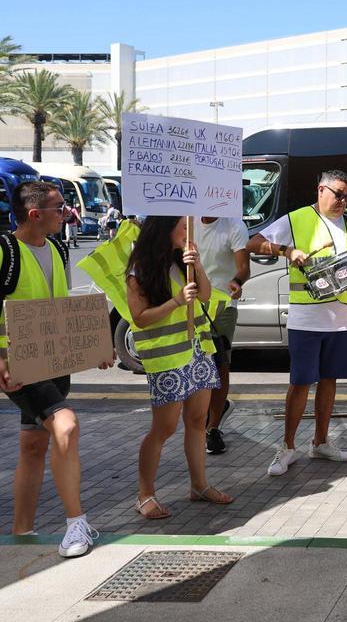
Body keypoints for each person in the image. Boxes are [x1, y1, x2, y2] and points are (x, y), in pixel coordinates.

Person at [0, 181, 114, 557]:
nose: (66, 212)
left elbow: (62, 310)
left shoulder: (58, 246)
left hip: (54, 365)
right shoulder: (5, 251)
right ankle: (76, 525)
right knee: (67, 425)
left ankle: (21, 533)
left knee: (34, 445)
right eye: (59, 207)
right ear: (35, 214)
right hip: (20, 367)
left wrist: (92, 346)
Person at [247, 169, 347, 476]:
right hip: (307, 317)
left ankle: (320, 442)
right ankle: (288, 447)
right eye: (338, 194)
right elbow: (254, 243)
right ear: (321, 190)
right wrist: (287, 250)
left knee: (330, 380)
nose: (343, 201)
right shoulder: (297, 219)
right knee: (301, 382)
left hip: (343, 318)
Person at [127, 215, 234, 519]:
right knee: (164, 427)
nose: (188, 231)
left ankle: (199, 485)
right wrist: (175, 302)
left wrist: (197, 265)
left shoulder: (182, 262)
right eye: (183, 226)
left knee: (198, 420)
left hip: (197, 351)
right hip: (168, 358)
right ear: (164, 229)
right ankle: (145, 494)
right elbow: (140, 317)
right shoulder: (140, 271)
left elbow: (205, 295)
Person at [196, 213, 250, 454]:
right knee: (196, 365)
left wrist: (237, 282)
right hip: (191, 303)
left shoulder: (234, 225)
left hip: (223, 305)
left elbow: (244, 267)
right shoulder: (185, 222)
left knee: (218, 364)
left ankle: (213, 427)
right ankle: (203, 417)